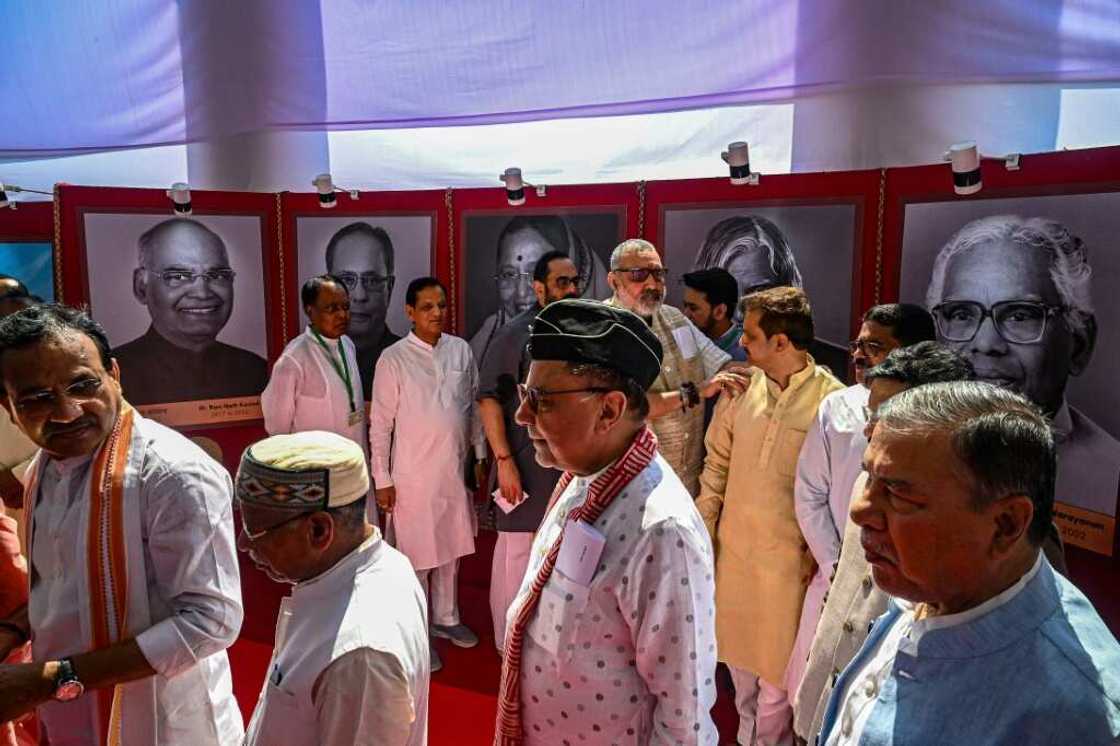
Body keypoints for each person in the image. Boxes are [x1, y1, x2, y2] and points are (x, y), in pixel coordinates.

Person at [818, 381, 1120, 745]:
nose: (859, 510)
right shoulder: (934, 584)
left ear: (1006, 525)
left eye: (899, 493)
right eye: (869, 476)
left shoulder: (1075, 719)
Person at [0, 303, 243, 744]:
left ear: (114, 374)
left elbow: (210, 621)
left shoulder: (172, 475)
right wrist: (13, 631)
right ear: (8, 407)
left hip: (161, 724)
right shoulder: (44, 468)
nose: (67, 412)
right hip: (68, 714)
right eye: (37, 399)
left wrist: (55, 678)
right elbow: (60, 585)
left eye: (83, 385)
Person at [495, 298, 718, 745]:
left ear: (610, 410)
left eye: (540, 401)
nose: (522, 416)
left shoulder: (662, 533)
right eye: (525, 395)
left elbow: (684, 720)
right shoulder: (583, 478)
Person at [697, 286, 843, 746]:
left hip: (790, 572)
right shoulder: (741, 390)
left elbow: (836, 496)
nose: (741, 342)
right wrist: (704, 532)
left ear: (781, 342)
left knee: (778, 688)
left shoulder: (832, 403)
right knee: (741, 678)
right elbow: (716, 465)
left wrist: (822, 561)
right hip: (736, 560)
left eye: (751, 335)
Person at [238, 431, 429, 746]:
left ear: (318, 530)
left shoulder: (360, 657)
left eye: (256, 530)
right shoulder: (387, 564)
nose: (244, 543)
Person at [785, 304, 934, 701]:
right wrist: (837, 564)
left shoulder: (935, 431)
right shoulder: (837, 406)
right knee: (811, 691)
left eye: (874, 347)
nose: (858, 355)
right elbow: (810, 493)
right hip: (834, 575)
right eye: (857, 344)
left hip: (897, 591)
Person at [925, 214, 1120, 518]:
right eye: (961, 315)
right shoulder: (907, 452)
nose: (986, 344)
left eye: (1020, 315)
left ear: (1079, 344)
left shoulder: (1110, 477)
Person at [370, 277, 486, 672]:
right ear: (409, 312)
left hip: (454, 470)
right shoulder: (394, 359)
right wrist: (382, 479)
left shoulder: (460, 350)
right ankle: (418, 631)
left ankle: (446, 618)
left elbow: (472, 408)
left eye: (441, 305)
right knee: (417, 559)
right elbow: (380, 425)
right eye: (427, 307)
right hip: (412, 477)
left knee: (451, 549)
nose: (437, 313)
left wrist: (480, 455)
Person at [478, 250, 579, 653]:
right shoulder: (515, 335)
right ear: (539, 289)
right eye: (561, 282)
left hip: (564, 466)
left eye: (574, 281)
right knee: (516, 555)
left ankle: (541, 644)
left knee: (555, 556)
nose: (571, 289)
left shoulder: (578, 333)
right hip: (521, 463)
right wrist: (504, 462)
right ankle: (507, 648)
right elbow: (488, 400)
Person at [606, 239, 749, 496]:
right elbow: (629, 406)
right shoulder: (603, 330)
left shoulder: (675, 318)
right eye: (639, 275)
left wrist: (793, 371)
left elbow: (723, 364)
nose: (652, 284)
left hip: (688, 479)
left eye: (658, 274)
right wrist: (697, 392)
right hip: (637, 485)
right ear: (614, 281)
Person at [113, 217, 268, 405]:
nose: (202, 293)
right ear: (141, 287)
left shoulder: (257, 372)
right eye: (179, 276)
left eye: (217, 275)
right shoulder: (112, 376)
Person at [692, 215, 849, 380]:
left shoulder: (836, 367)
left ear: (787, 287)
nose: (739, 314)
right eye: (726, 294)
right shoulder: (688, 363)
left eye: (756, 293)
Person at [469, 216, 609, 367]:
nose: (521, 293)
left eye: (535, 272)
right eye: (509, 274)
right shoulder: (483, 345)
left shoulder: (606, 343)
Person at [261, 275, 366, 451]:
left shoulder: (347, 345)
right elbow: (277, 430)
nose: (342, 315)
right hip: (314, 463)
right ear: (309, 311)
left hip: (353, 459)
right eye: (332, 309)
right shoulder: (293, 359)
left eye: (346, 307)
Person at [324, 222, 400, 398]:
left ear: (390, 288)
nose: (360, 295)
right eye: (347, 279)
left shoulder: (414, 364)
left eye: (372, 281)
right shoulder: (304, 362)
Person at [681, 267, 747, 362]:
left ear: (720, 312)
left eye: (693, 308)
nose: (685, 315)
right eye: (685, 306)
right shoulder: (685, 340)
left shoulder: (746, 352)